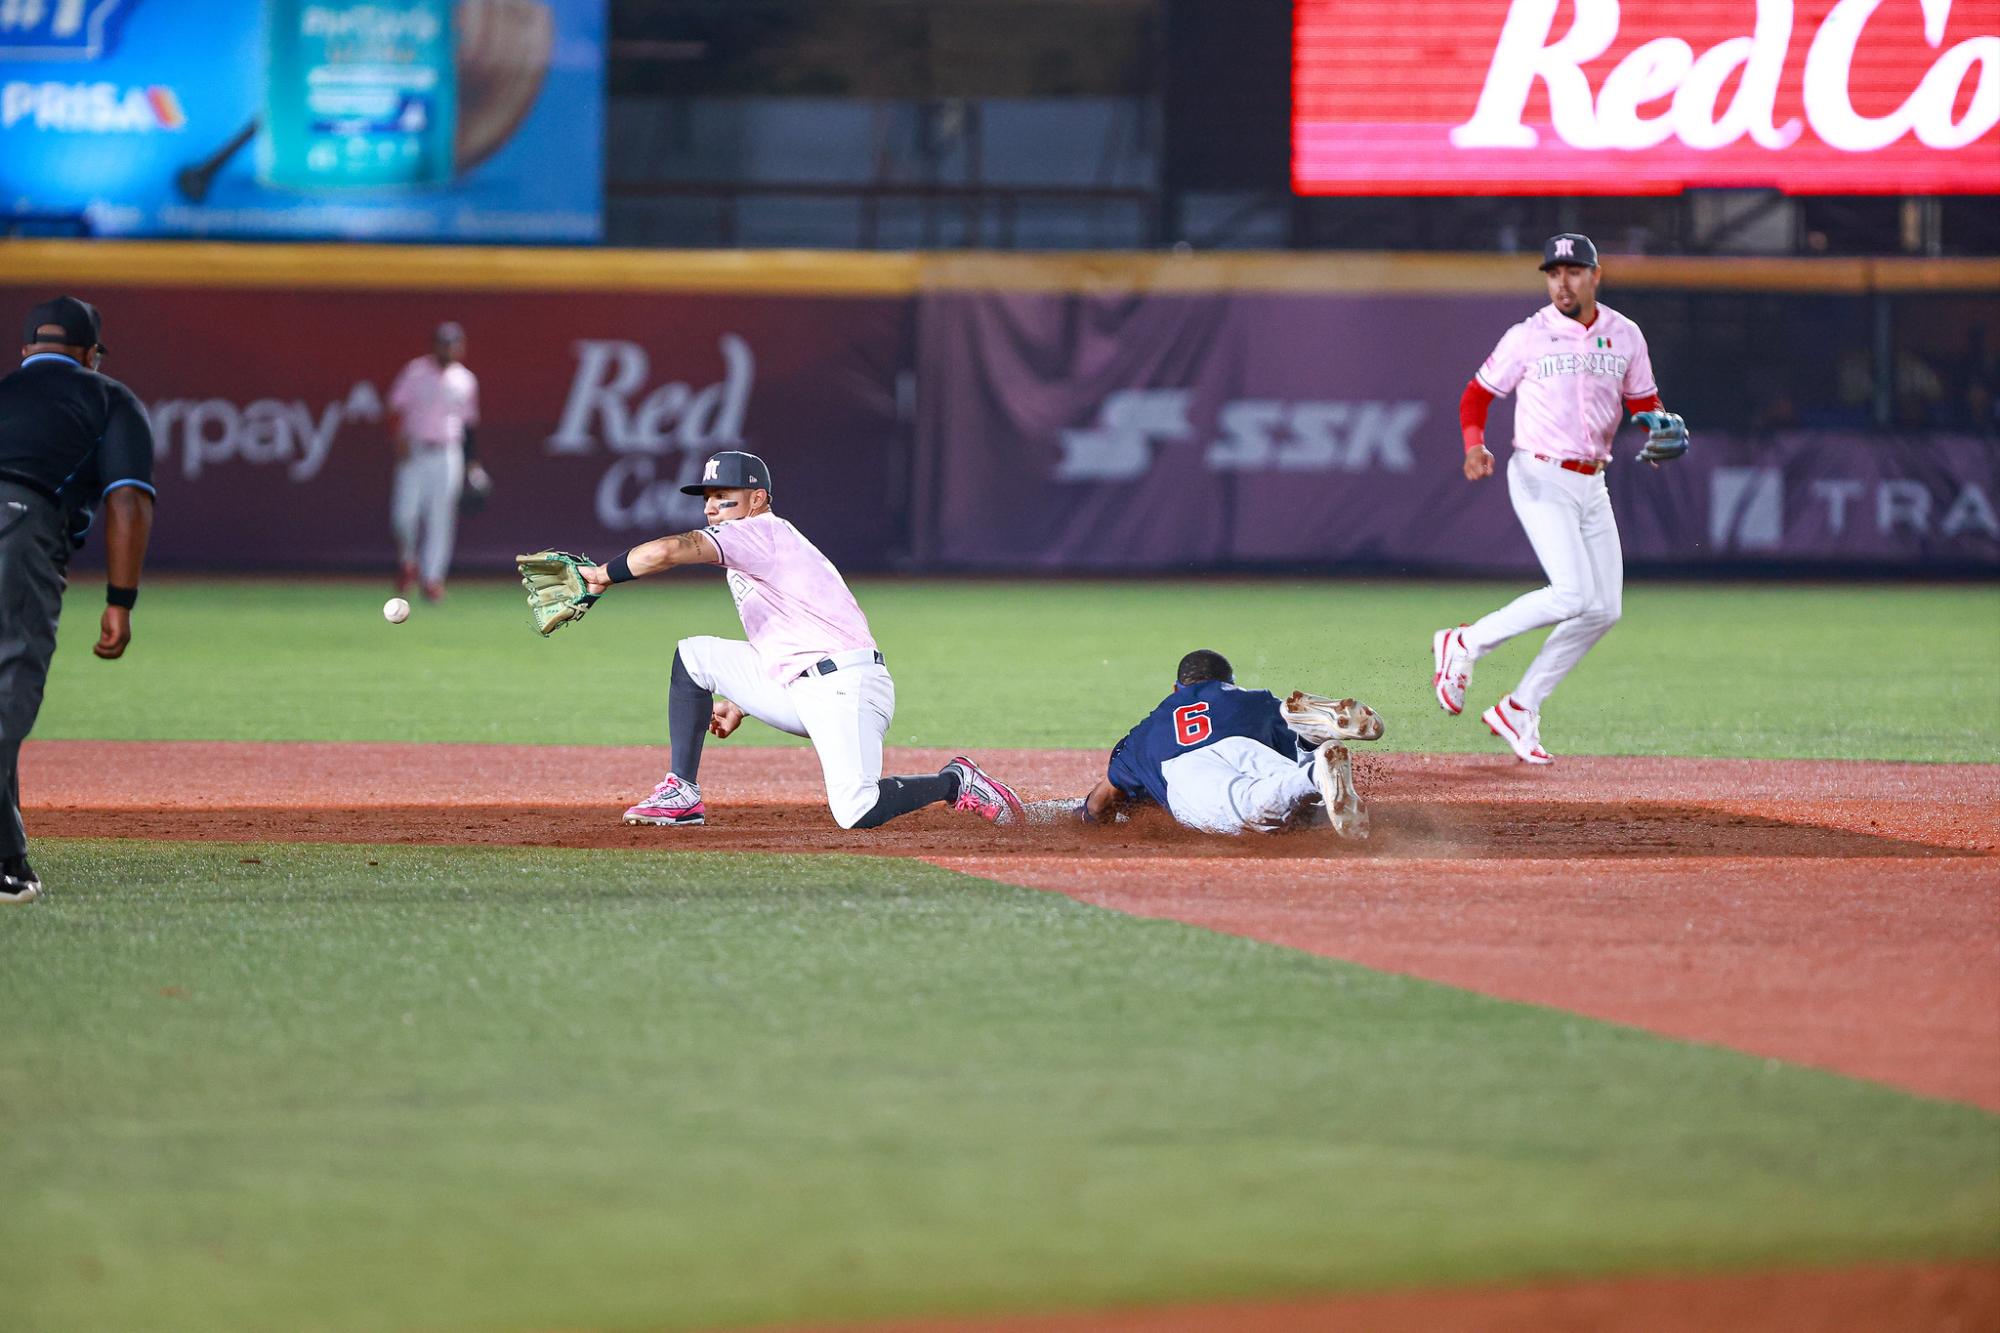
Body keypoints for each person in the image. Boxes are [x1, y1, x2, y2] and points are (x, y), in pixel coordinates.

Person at [576, 449, 1025, 830]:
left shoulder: (760, 532)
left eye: (723, 497)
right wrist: (743, 700)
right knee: (694, 656)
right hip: (800, 682)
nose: (711, 507)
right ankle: (681, 792)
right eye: (708, 497)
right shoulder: (755, 541)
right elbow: (793, 632)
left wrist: (601, 575)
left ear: (757, 499)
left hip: (844, 686)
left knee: (856, 810)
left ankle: (955, 780)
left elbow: (666, 551)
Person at [1433, 233, 1684, 765]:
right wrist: (1474, 445)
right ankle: (1466, 642)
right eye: (1553, 273)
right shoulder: (1528, 336)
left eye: (1572, 272)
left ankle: (1520, 707)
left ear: (1595, 275)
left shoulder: (1625, 334)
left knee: (1604, 609)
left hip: (1593, 480)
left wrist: (1655, 431)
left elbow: (1644, 401)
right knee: (1573, 595)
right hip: (1539, 473)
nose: (1562, 282)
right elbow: (1477, 394)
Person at [0, 297, 157, 903]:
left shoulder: (5, 390)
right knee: (8, 689)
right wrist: (120, 599)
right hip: (19, 523)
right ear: (91, 354)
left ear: (25, 351)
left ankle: (8, 853)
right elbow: (128, 501)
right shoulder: (108, 398)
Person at [1077, 650, 1381, 839]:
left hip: (1187, 770)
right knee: (1299, 809)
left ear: (1175, 689)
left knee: (1255, 811)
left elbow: (1099, 802)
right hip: (1244, 745)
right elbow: (1287, 751)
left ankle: (1315, 775)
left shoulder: (1143, 733)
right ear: (1230, 681)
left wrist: (1092, 828)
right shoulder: (1252, 700)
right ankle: (1313, 742)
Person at [387, 321, 484, 602]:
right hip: (415, 451)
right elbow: (394, 407)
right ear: (435, 346)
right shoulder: (415, 372)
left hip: (448, 453)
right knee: (404, 516)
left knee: (441, 519)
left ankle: (432, 579)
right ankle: (408, 561)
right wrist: (398, 438)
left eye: (454, 344)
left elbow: (468, 426)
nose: (449, 348)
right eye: (444, 343)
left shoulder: (465, 379)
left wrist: (472, 463)